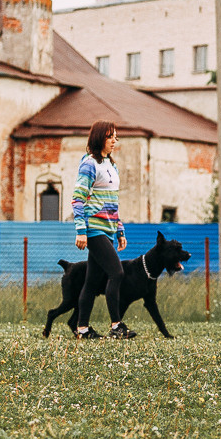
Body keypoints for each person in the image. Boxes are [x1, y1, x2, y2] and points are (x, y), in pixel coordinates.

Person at [71, 120, 136, 340]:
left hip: (108, 229)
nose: (114, 141)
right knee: (117, 273)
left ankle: (82, 329)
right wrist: (81, 230)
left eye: (116, 137)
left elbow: (112, 202)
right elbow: (78, 199)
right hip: (94, 229)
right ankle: (117, 325)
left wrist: (120, 230)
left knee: (91, 282)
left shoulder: (111, 165)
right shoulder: (89, 164)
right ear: (100, 138)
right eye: (110, 137)